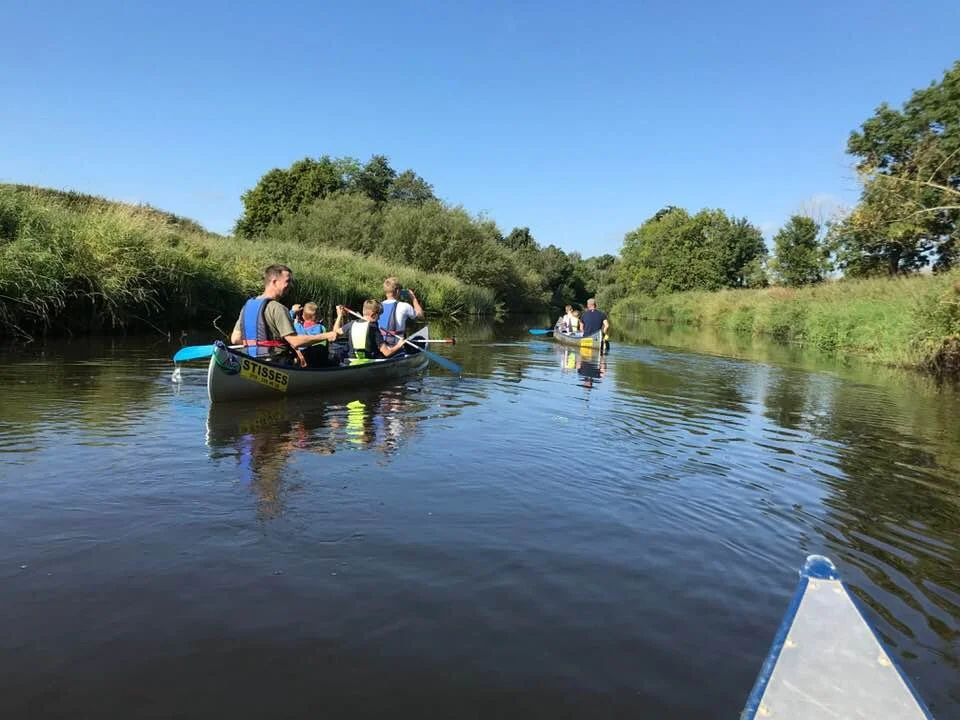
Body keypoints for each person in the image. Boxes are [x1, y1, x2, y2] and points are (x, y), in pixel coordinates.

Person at [230, 265, 330, 367]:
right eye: (287, 281)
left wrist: (257, 343)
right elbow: (295, 342)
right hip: (275, 361)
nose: (290, 285)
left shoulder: (247, 306)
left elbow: (235, 339)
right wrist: (327, 335)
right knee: (320, 350)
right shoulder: (278, 308)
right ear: (274, 282)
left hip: (249, 359)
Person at [332, 300, 408, 364]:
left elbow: (334, 333)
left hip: (352, 360)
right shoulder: (373, 328)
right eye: (379, 315)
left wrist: (339, 315)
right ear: (373, 315)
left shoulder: (351, 324)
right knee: (401, 352)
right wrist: (398, 345)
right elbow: (387, 353)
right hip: (370, 361)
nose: (379, 318)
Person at [380, 277, 423, 345]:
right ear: (397, 291)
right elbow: (420, 316)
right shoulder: (405, 306)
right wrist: (413, 298)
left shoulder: (378, 306)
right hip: (396, 347)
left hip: (380, 347)